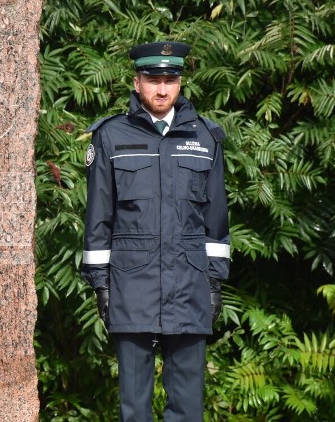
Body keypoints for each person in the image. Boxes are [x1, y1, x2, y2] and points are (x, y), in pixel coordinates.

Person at [81, 41, 230, 421]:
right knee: (134, 407)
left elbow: (216, 222)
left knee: (188, 407)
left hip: (189, 286)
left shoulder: (206, 139)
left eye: (170, 79)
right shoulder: (111, 137)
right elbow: (98, 218)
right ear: (136, 83)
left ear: (180, 83)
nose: (161, 89)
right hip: (132, 288)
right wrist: (102, 284)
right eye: (153, 80)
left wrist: (213, 285)